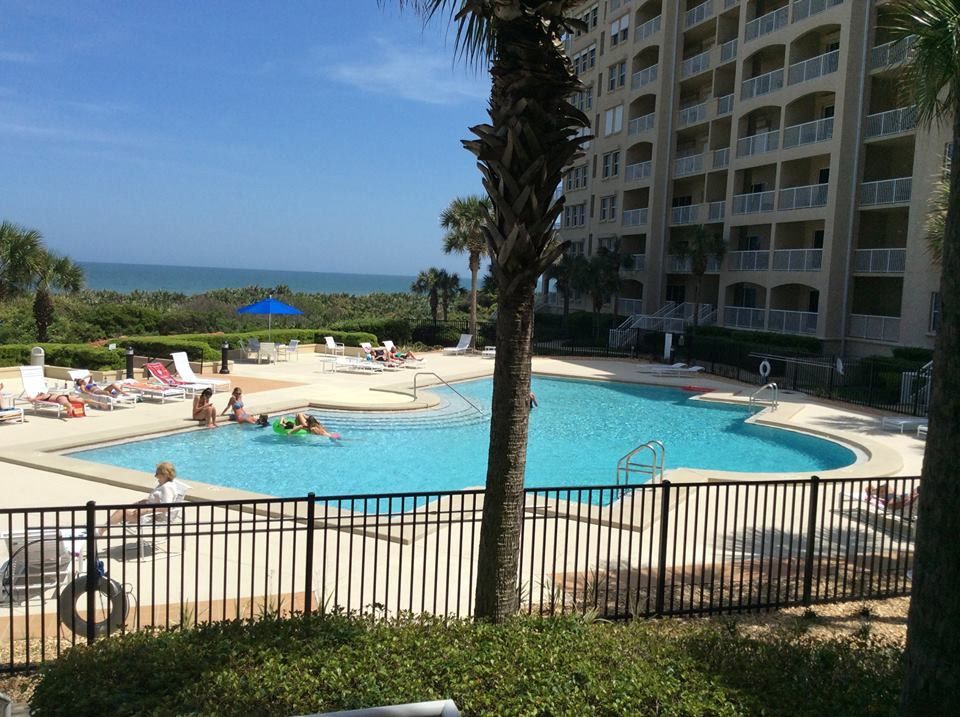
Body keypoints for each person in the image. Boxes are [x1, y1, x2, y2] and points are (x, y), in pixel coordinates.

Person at [99, 462, 181, 535]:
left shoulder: (167, 488)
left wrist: (146, 510)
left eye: (157, 473)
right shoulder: (165, 484)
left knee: (121, 512)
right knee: (124, 509)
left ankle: (100, 532)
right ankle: (100, 530)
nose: (155, 476)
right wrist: (143, 502)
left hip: (153, 517)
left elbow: (166, 507)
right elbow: (157, 500)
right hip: (149, 512)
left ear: (165, 475)